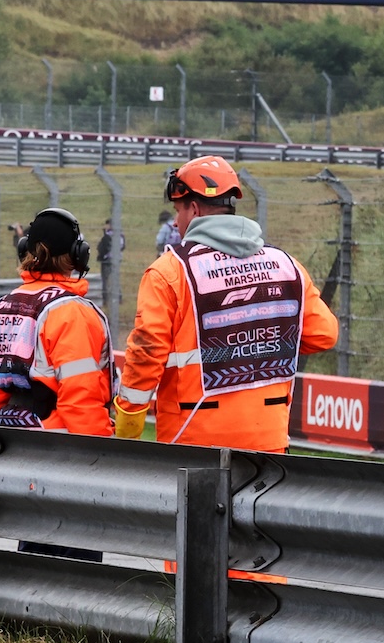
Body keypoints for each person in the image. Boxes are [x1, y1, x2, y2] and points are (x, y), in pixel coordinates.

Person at [114, 156, 337, 451]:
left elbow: (146, 353)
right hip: (268, 439)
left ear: (193, 209)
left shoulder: (169, 271)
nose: (177, 221)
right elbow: (324, 334)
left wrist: (129, 424)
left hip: (192, 441)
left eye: (177, 211)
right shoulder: (285, 265)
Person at [0, 207, 112, 437]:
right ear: (77, 255)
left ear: (25, 251)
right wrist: (102, 458)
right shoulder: (72, 313)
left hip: (9, 446)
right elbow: (81, 404)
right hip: (61, 452)